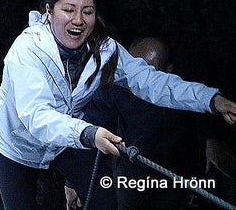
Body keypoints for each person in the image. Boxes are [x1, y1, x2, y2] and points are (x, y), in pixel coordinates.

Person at [0, 0, 236, 210]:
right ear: (49, 12)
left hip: (69, 137)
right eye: (69, 10)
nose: (78, 19)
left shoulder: (105, 51)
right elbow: (37, 117)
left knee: (104, 202)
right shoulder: (27, 51)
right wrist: (88, 133)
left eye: (88, 11)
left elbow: (150, 81)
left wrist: (211, 100)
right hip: (15, 143)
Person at [67, 37, 200, 209]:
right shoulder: (116, 86)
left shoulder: (184, 94)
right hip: (131, 172)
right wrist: (72, 181)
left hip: (173, 173)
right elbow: (90, 126)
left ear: (168, 71)